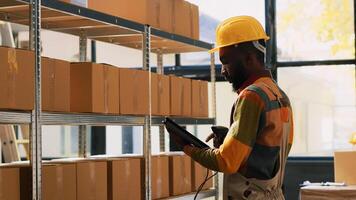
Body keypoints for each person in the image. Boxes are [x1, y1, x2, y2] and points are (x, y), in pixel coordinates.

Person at [173, 16, 294, 200]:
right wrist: (231, 138)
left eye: (226, 61)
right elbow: (268, 153)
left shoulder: (251, 96)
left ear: (248, 58)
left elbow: (226, 162)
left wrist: (186, 146)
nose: (223, 70)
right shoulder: (277, 94)